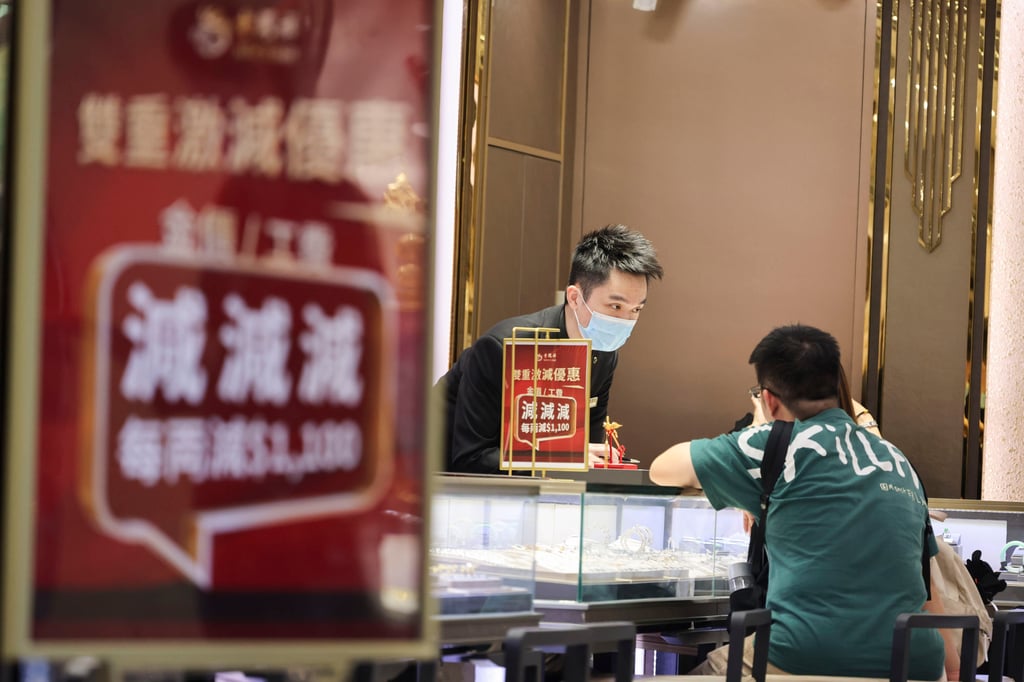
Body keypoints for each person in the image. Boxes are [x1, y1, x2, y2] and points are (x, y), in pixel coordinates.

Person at [649, 324, 952, 679]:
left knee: (704, 670)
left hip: (804, 660)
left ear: (769, 398)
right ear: (836, 388)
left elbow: (662, 467)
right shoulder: (896, 458)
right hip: (915, 666)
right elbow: (927, 587)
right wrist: (952, 668)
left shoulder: (772, 444)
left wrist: (761, 430)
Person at [439, 224, 663, 474]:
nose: (626, 321)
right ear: (575, 298)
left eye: (637, 310)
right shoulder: (505, 346)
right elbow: (470, 458)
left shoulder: (604, 352)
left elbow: (586, 448)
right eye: (615, 307)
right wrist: (563, 457)